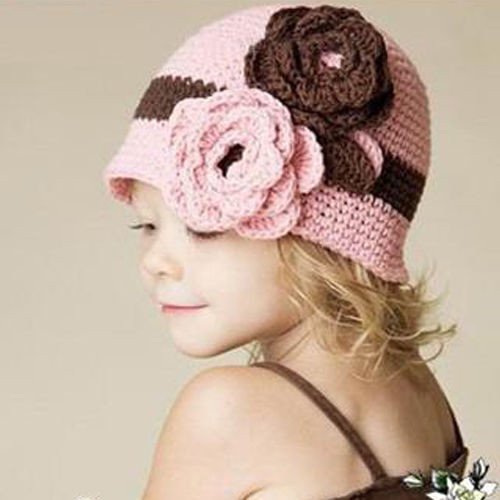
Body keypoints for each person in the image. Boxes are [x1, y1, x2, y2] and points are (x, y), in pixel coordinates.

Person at [101, 4, 494, 499]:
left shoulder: (228, 410)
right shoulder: (420, 393)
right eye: (147, 225)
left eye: (202, 226)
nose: (155, 262)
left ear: (323, 237)